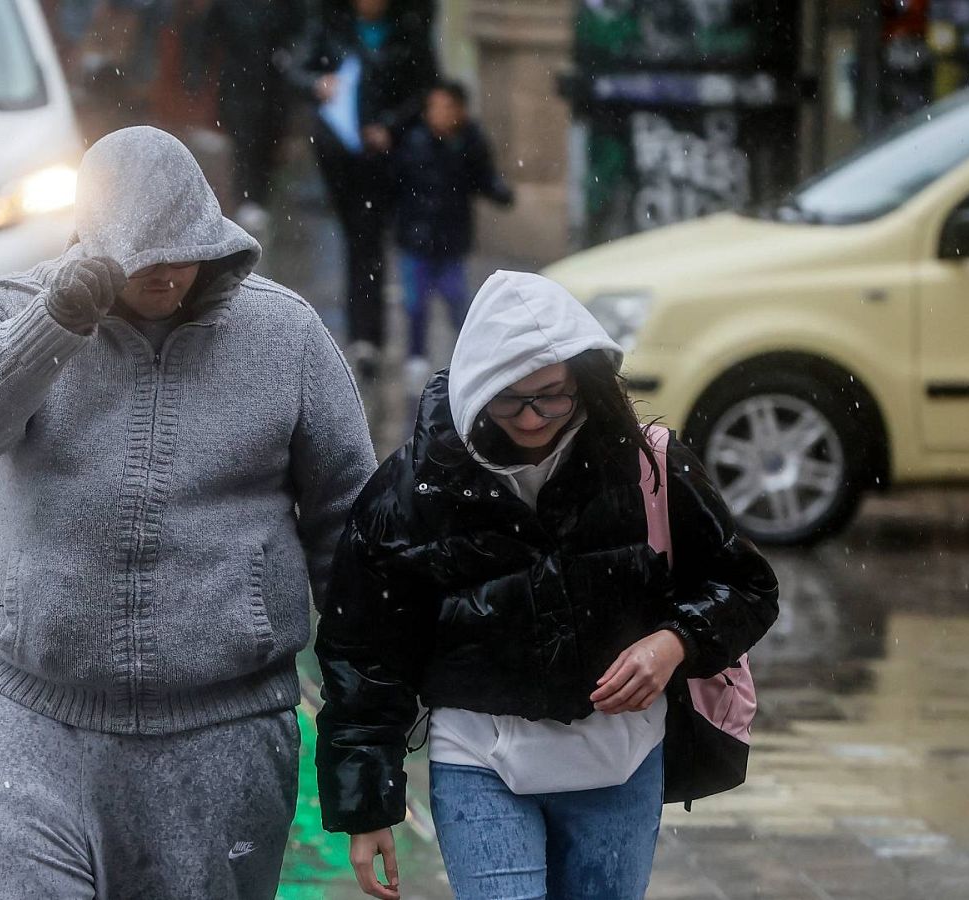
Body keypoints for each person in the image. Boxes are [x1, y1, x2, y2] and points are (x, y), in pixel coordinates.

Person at [0, 127, 376, 900]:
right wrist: (55, 322)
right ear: (94, 243)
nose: (166, 271)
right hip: (23, 713)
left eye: (183, 247)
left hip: (219, 734)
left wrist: (368, 720)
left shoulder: (287, 336)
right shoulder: (17, 307)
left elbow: (354, 534)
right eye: (143, 254)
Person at [314, 270, 779, 899]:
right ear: (478, 388)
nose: (534, 417)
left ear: (583, 380)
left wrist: (673, 642)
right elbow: (364, 652)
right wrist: (367, 804)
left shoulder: (649, 467)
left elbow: (745, 585)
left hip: (620, 762)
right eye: (511, 399)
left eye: (553, 396)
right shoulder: (412, 493)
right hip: (477, 759)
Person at [291, 0, 438, 379]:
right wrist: (318, 85)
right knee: (359, 238)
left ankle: (377, 337)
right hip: (341, 154)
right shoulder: (330, 26)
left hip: (388, 156)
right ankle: (364, 336)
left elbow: (424, 90)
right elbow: (299, 68)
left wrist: (390, 126)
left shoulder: (408, 33)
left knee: (376, 239)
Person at [391, 79, 513, 390]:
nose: (440, 114)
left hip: (451, 239)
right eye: (434, 107)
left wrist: (499, 191)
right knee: (416, 303)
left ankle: (468, 360)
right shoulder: (414, 141)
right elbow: (393, 182)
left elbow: (483, 178)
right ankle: (416, 356)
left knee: (457, 302)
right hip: (416, 238)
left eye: (446, 107)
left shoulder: (470, 142)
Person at [192, 0, 308, 243]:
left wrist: (290, 57)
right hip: (239, 82)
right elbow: (207, 36)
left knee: (267, 140)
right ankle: (247, 198)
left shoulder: (283, 8)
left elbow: (299, 33)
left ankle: (258, 196)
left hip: (273, 82)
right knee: (244, 140)